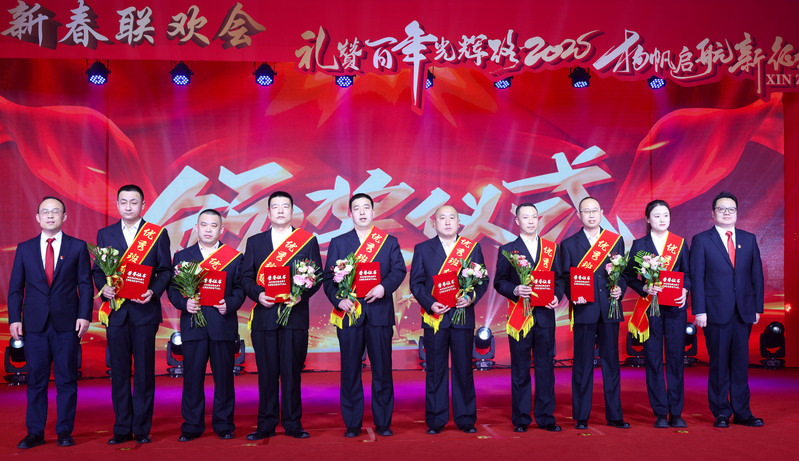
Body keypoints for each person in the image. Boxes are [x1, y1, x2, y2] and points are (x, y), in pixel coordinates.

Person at [8, 196, 93, 449]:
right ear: (38, 217)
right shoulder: (24, 248)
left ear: (64, 217)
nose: (50, 215)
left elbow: (85, 285)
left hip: (67, 324)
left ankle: (65, 431)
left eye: (55, 211)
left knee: (67, 379)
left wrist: (84, 315)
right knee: (36, 380)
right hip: (34, 325)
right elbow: (15, 288)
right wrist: (14, 319)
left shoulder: (77, 247)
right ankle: (35, 432)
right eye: (45, 212)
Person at [323, 193, 407, 438]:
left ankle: (383, 422)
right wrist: (339, 300)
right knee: (350, 370)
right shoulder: (339, 243)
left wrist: (383, 288)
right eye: (357, 208)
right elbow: (328, 279)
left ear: (373, 212)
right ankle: (352, 423)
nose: (362, 212)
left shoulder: (388, 242)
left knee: (382, 370)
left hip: (379, 314)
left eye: (366, 208)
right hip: (349, 314)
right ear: (350, 214)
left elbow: (399, 270)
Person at [240, 191, 323, 440]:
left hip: (295, 318)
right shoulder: (255, 242)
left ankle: (292, 423)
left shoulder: (307, 241)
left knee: (292, 373)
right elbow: (246, 277)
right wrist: (258, 294)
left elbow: (317, 276)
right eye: (275, 207)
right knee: (266, 374)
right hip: (264, 318)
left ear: (292, 211)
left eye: (285, 206)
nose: (280, 210)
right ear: (268, 212)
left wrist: (301, 296)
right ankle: (266, 424)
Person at [93, 184, 171, 444]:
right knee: (119, 372)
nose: (128, 207)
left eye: (133, 202)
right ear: (117, 205)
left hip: (144, 312)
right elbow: (98, 271)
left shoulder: (157, 234)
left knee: (145, 372)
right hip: (116, 313)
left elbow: (165, 270)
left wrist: (153, 291)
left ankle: (142, 428)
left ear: (143, 205)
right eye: (123, 202)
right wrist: (103, 289)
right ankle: (122, 428)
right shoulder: (105, 234)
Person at [167, 209, 245, 441]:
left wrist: (229, 304)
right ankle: (192, 425)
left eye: (213, 226)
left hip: (222, 325)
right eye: (204, 225)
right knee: (192, 378)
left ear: (221, 230)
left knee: (224, 379)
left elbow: (240, 288)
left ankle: (224, 424)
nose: (208, 229)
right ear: (196, 228)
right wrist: (185, 303)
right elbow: (172, 289)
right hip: (193, 326)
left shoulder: (233, 257)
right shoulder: (182, 257)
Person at [409, 205, 488, 434]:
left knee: (464, 370)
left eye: (451, 217)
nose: (447, 222)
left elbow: (482, 280)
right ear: (434, 224)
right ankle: (436, 420)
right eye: (442, 218)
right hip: (436, 318)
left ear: (459, 222)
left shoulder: (471, 248)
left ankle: (466, 419)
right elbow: (416, 283)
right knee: (435, 370)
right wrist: (430, 303)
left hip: (462, 318)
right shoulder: (423, 249)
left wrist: (470, 298)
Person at [690, 191, 764, 428]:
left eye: (731, 209)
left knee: (741, 364)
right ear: (713, 213)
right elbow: (697, 277)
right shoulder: (702, 240)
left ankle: (742, 412)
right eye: (721, 209)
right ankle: (721, 411)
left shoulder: (749, 239)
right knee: (719, 364)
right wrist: (699, 310)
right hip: (714, 311)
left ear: (737, 213)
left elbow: (756, 275)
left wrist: (757, 307)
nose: (726, 213)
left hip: (743, 311)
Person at [494, 202, 563, 433]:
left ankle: (546, 417)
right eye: (525, 217)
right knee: (520, 368)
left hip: (545, 316)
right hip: (519, 317)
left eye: (534, 216)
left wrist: (556, 295)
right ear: (517, 221)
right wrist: (515, 289)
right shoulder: (508, 250)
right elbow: (499, 281)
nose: (531, 221)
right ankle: (521, 418)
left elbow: (559, 279)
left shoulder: (552, 248)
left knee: (546, 368)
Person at [560, 196, 629, 429]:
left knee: (612, 364)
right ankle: (581, 416)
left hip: (610, 308)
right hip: (584, 310)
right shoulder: (569, 244)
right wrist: (573, 295)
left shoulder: (615, 241)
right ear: (579, 215)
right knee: (582, 364)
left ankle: (615, 415)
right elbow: (565, 278)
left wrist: (621, 288)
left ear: (601, 213)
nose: (591, 215)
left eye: (595, 210)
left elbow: (623, 274)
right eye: (586, 211)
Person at [623, 200, 690, 428]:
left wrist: (685, 289)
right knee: (653, 359)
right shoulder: (639, 245)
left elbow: (688, 274)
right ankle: (660, 411)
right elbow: (629, 276)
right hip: (650, 308)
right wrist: (644, 287)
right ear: (648, 219)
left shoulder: (679, 243)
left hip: (675, 309)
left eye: (665, 215)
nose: (662, 219)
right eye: (657, 215)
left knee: (675, 359)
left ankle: (676, 412)